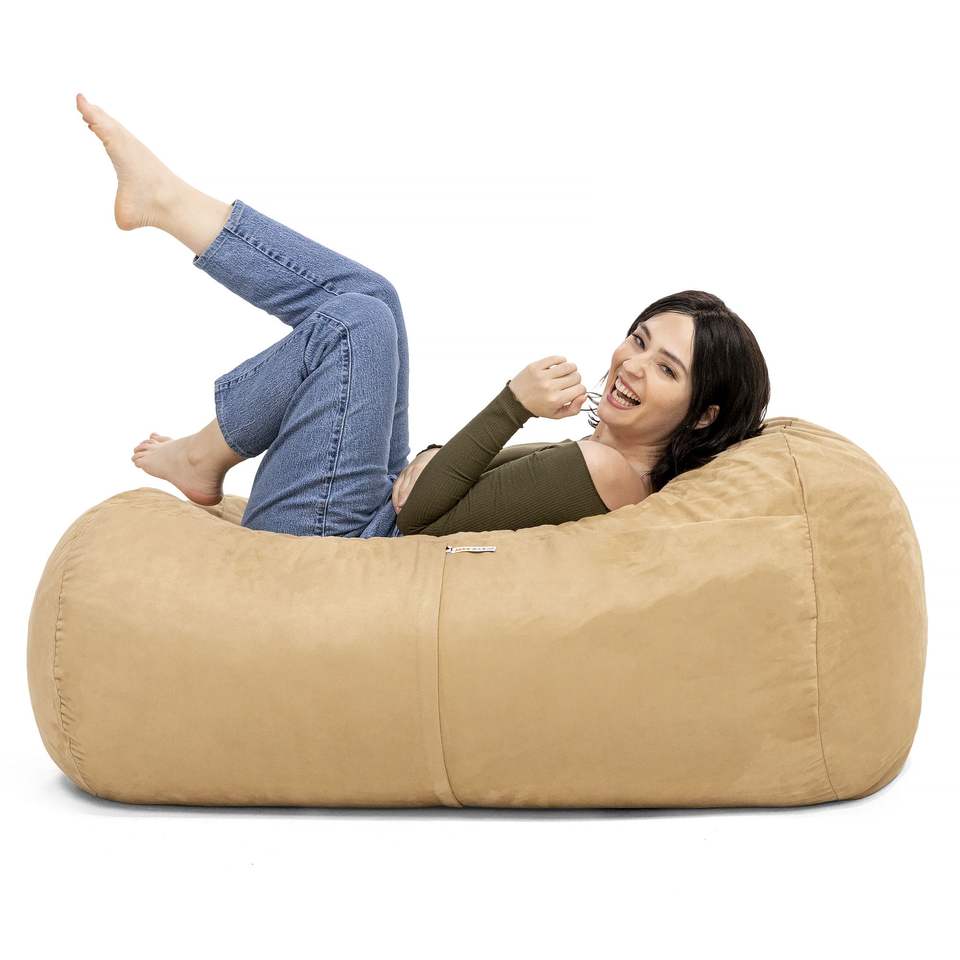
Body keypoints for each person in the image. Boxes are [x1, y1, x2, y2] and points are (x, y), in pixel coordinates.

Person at [75, 93, 771, 540]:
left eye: (666, 369)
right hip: (367, 515)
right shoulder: (609, 459)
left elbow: (425, 508)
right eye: (639, 340)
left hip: (331, 542)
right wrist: (437, 455)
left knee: (360, 323)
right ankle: (169, 204)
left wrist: (512, 404)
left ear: (702, 416)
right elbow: (455, 484)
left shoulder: (612, 473)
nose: (633, 365)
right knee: (376, 298)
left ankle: (205, 453)